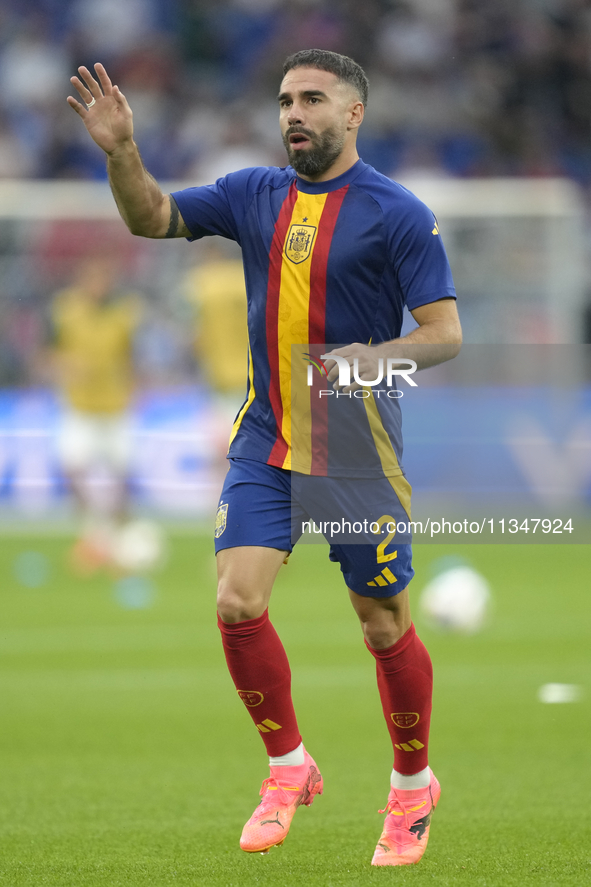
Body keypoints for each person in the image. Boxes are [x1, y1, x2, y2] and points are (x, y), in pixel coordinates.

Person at [68, 48, 462, 867]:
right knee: (236, 603)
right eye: (285, 98)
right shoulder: (253, 194)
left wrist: (368, 357)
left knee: (381, 622)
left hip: (357, 451)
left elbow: (443, 334)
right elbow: (150, 219)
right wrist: (121, 153)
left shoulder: (397, 212)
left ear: (352, 114)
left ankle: (411, 783)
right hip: (267, 438)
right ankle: (288, 767)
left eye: (313, 98)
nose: (294, 111)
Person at [50, 255, 141, 572]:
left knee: (122, 479)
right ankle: (95, 533)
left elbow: (132, 356)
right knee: (72, 471)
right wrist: (64, 366)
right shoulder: (65, 311)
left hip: (115, 407)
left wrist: (134, 388)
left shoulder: (124, 313)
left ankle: (117, 542)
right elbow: (46, 352)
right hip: (80, 407)